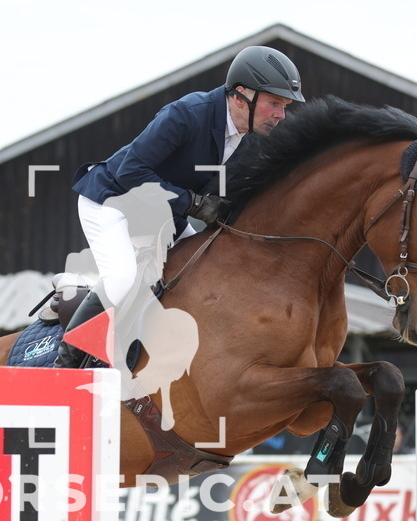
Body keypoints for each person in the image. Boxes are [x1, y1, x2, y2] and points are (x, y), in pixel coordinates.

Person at [54, 45, 305, 369]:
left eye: (284, 106)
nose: (280, 115)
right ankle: (66, 363)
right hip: (112, 200)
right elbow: (131, 171)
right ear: (242, 94)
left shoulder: (252, 140)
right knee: (123, 278)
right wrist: (192, 203)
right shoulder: (187, 114)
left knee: (205, 268)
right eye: (275, 103)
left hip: (160, 216)